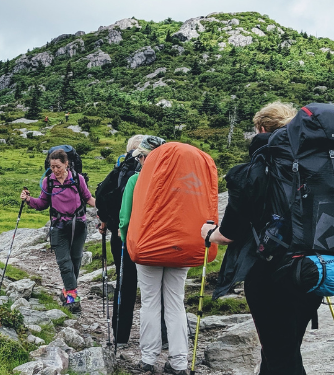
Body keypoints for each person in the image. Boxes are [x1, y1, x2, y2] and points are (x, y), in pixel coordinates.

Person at [201, 101, 321, 375]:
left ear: (261, 128)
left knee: (281, 358)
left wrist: (208, 233)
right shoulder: (314, 166)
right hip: (312, 270)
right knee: (283, 349)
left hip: (270, 275)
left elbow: (230, 233)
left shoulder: (252, 171)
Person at [117, 136, 190, 374]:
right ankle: (179, 362)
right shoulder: (183, 181)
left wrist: (129, 242)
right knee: (176, 303)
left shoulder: (135, 180)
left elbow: (126, 219)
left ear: (148, 157)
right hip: (180, 249)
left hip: (148, 250)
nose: (138, 160)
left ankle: (148, 359)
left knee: (149, 302)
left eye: (141, 156)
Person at [21, 149, 96, 313]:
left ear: (66, 164)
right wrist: (28, 200)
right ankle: (73, 299)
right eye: (52, 166)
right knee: (64, 263)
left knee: (76, 260)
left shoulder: (77, 179)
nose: (55, 170)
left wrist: (104, 207)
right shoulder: (48, 182)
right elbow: (42, 203)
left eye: (58, 166)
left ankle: (67, 292)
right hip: (58, 226)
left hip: (78, 225)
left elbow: (88, 198)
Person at [96, 134, 144, 345]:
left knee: (125, 283)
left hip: (121, 235)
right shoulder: (149, 170)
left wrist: (106, 220)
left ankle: (120, 335)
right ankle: (162, 336)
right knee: (155, 287)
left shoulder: (121, 170)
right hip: (149, 235)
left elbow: (102, 195)